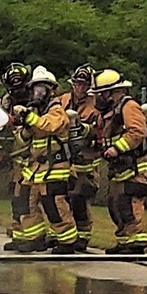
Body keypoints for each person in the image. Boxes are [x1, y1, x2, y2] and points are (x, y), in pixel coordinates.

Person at [9, 66, 79, 254]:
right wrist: (24, 126)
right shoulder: (36, 112)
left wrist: (29, 117)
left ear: (52, 90)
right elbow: (23, 139)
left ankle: (67, 242)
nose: (38, 92)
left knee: (54, 205)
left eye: (43, 88)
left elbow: (49, 126)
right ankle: (35, 239)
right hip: (35, 167)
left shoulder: (56, 110)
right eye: (35, 88)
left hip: (55, 167)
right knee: (24, 202)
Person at [92, 70, 147, 256]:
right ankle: (124, 241)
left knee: (129, 204)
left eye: (100, 94)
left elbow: (137, 132)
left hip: (133, 167)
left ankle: (136, 242)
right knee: (115, 204)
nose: (98, 98)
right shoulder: (110, 112)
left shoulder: (129, 106)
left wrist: (116, 149)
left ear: (112, 92)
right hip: (119, 168)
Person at [0, 63, 33, 251]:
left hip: (42, 160)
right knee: (19, 198)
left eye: (22, 89)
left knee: (42, 200)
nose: (19, 94)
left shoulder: (39, 99)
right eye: (14, 90)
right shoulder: (5, 103)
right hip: (21, 163)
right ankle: (20, 235)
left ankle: (40, 237)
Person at [58, 65, 102, 252]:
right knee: (62, 196)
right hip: (64, 157)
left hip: (85, 158)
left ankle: (83, 236)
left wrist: (82, 128)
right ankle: (64, 234)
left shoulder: (95, 105)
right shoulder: (63, 100)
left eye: (84, 85)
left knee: (80, 197)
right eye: (77, 84)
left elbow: (99, 129)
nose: (80, 88)